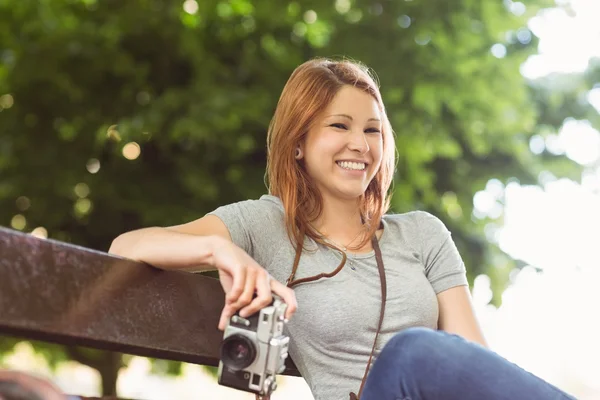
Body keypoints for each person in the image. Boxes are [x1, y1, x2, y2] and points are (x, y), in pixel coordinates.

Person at [109, 58, 576, 400]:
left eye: (373, 130)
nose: (360, 143)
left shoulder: (423, 235)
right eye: (340, 125)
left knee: (421, 352)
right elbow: (125, 245)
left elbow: (473, 360)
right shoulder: (265, 225)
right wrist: (219, 251)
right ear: (298, 143)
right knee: (412, 351)